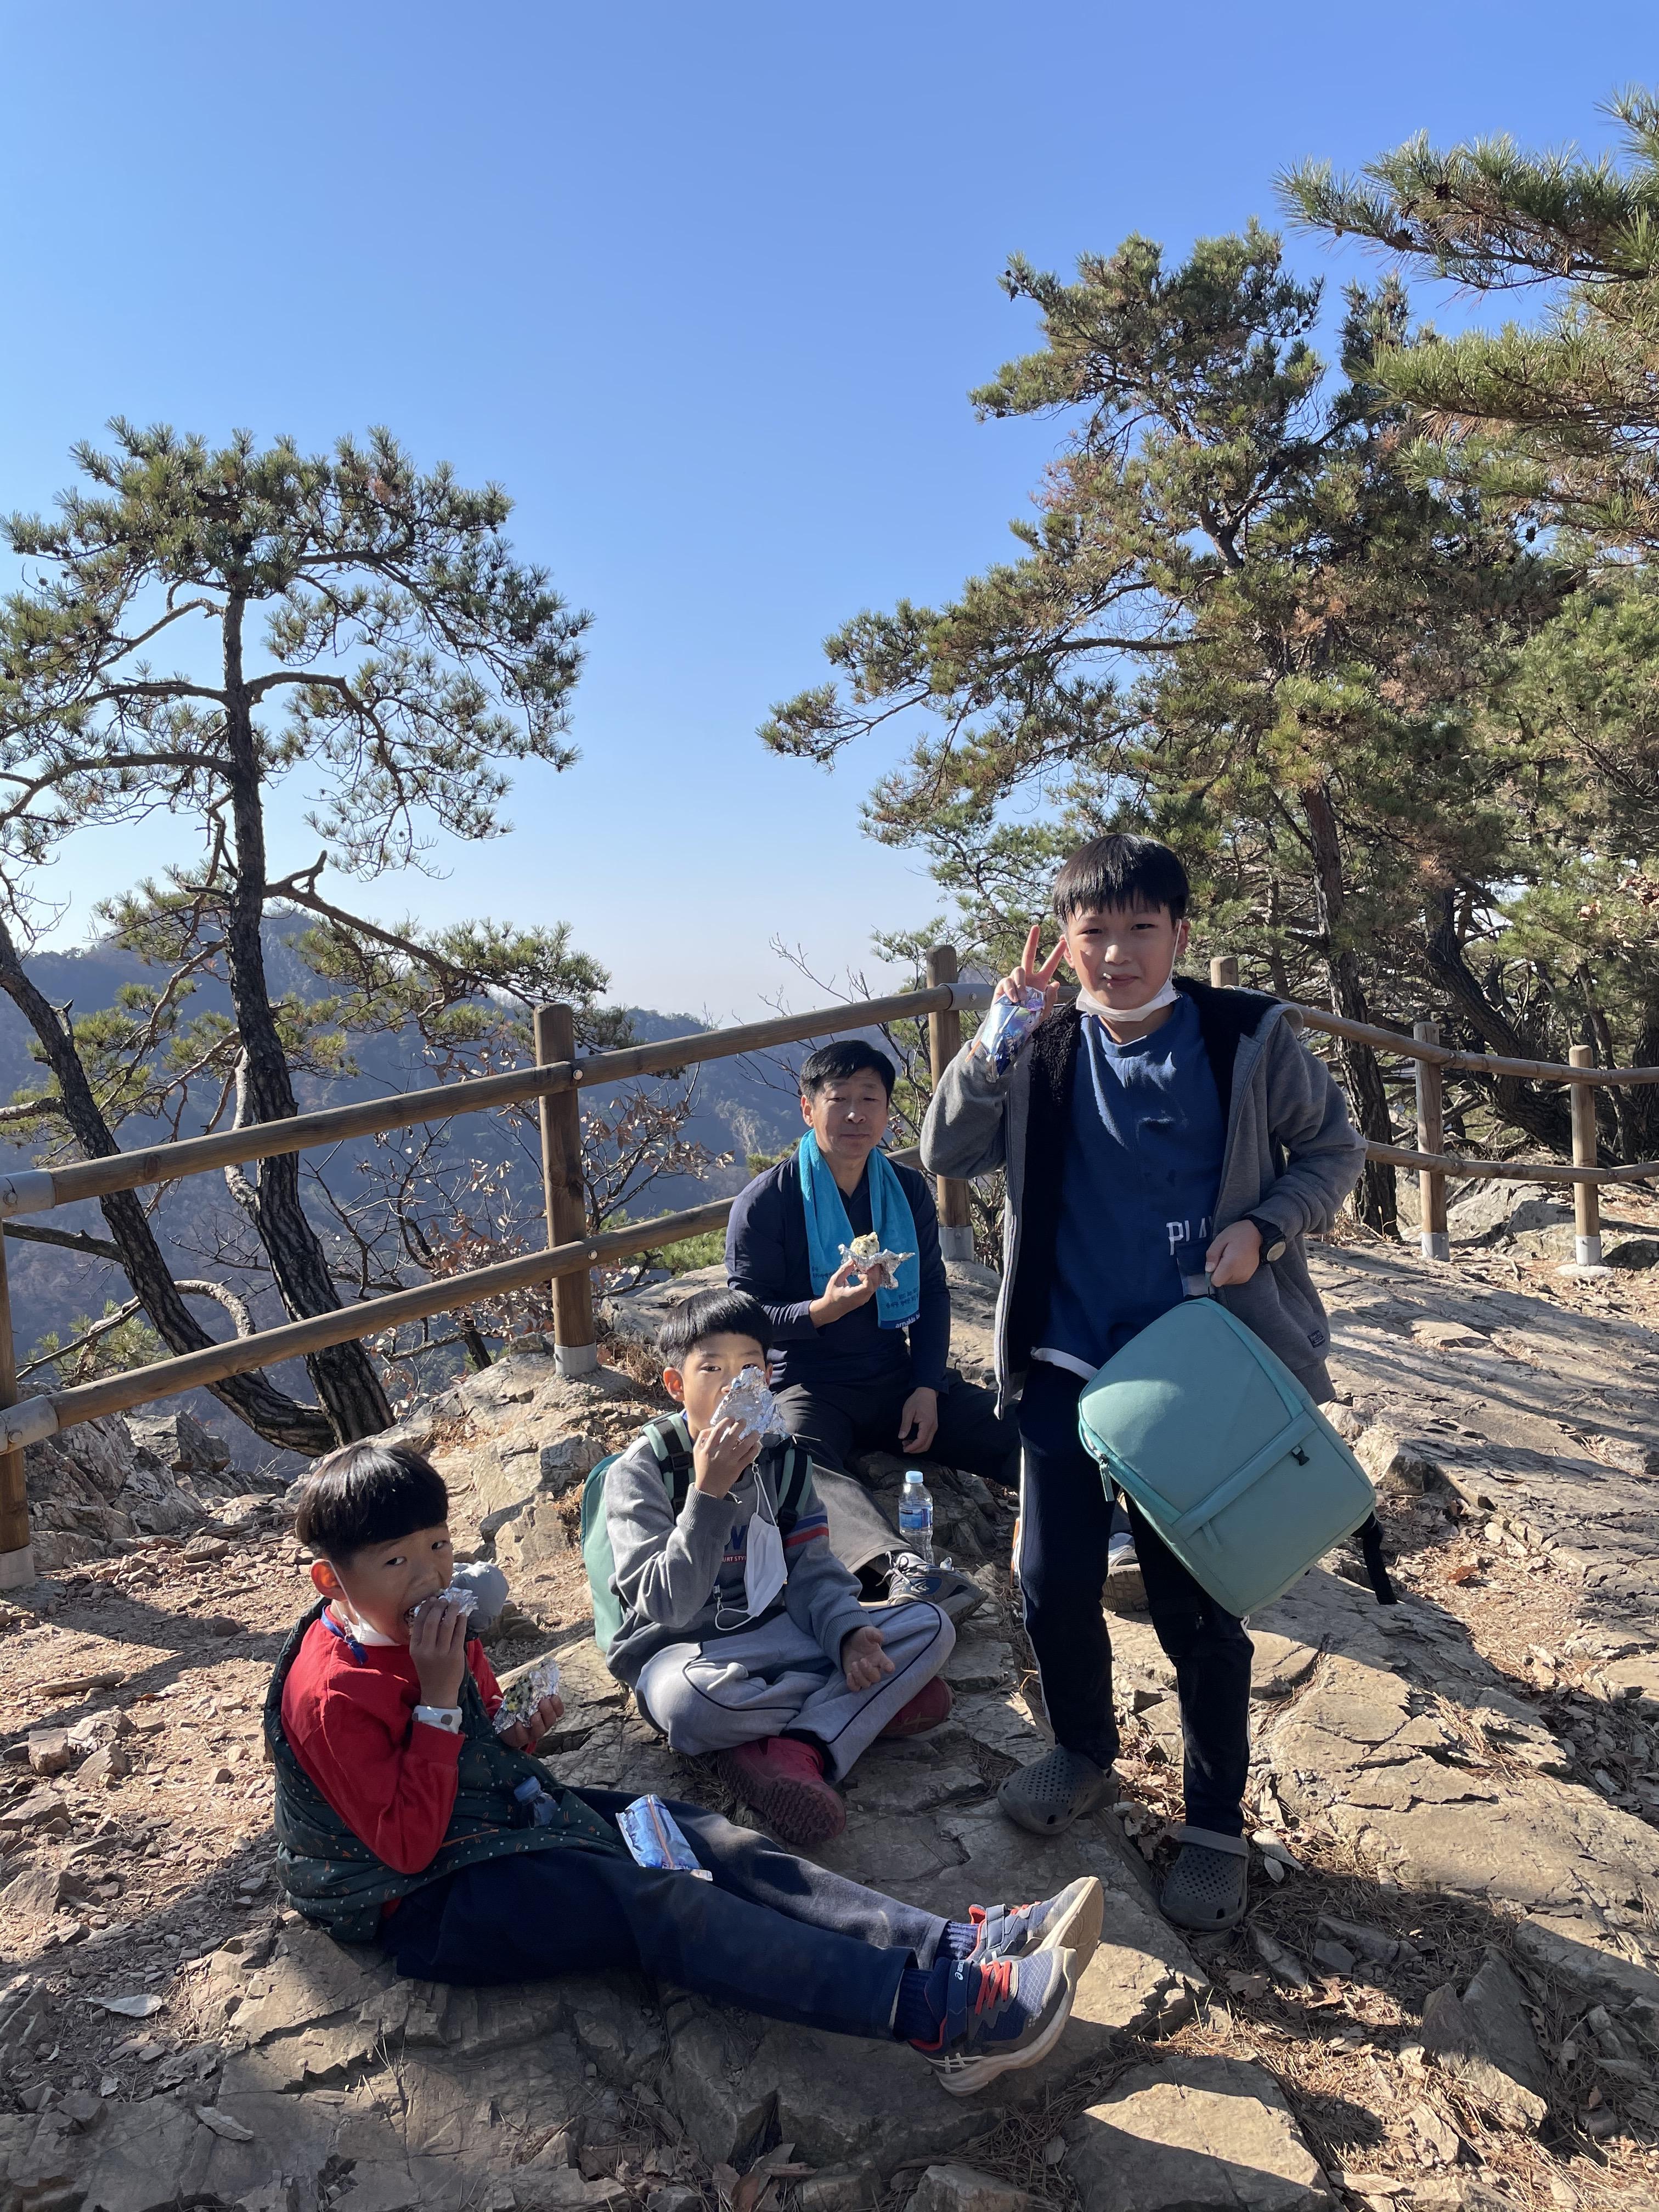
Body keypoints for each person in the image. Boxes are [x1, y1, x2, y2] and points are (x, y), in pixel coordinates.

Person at [266, 1441, 1103, 2096]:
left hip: (489, 1815)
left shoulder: (432, 1629)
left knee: (700, 1836)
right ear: (329, 1579)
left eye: (440, 1545)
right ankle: (941, 2016)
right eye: (397, 1562)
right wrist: (443, 1702)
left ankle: (953, 1945)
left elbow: (470, 1739)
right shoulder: (331, 1692)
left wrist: (511, 1730)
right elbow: (406, 1846)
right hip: (421, 1898)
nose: (431, 1576)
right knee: (659, 1902)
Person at [919, 834, 1367, 1933]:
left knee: (1195, 1603)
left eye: (1139, 930)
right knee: (1050, 1580)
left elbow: (1333, 1152)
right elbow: (945, 1151)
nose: (1116, 954)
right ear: (1065, 942)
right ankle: (1083, 1749)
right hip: (1064, 1355)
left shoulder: (1242, 1037)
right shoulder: (1040, 1042)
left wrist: (1266, 1227)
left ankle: (1214, 1822)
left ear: (1179, 934)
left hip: (1196, 1363)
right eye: (1094, 933)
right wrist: (993, 1039)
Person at [602, 1288, 956, 1846]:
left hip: (777, 1632)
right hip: (686, 1654)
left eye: (749, 1369)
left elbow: (813, 1569)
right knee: (691, 1707)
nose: (732, 1386)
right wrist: (709, 1495)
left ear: (767, 1377)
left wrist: (848, 1636)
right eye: (712, 1369)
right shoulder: (644, 1471)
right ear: (676, 1385)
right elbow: (669, 1606)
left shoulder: (783, 1458)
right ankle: (849, 1713)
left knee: (931, 1625)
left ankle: (790, 1747)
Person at [726, 1039, 1019, 1613]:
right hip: (806, 1385)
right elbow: (745, 1318)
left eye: (870, 1099)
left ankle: (1106, 1536)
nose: (856, 1114)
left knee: (1021, 1428)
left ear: (887, 1112)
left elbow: (931, 1291)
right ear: (808, 1109)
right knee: (791, 1463)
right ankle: (900, 1571)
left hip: (894, 1377)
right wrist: (821, 1311)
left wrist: (927, 1386)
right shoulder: (767, 1202)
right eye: (839, 1099)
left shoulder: (905, 1191)